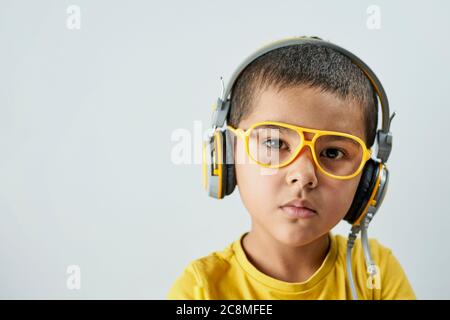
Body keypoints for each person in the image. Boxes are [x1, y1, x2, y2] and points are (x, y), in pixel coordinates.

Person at [168, 36, 416, 300]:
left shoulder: (374, 272)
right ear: (227, 153)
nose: (304, 175)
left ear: (369, 177)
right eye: (275, 143)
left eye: (333, 152)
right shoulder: (200, 290)